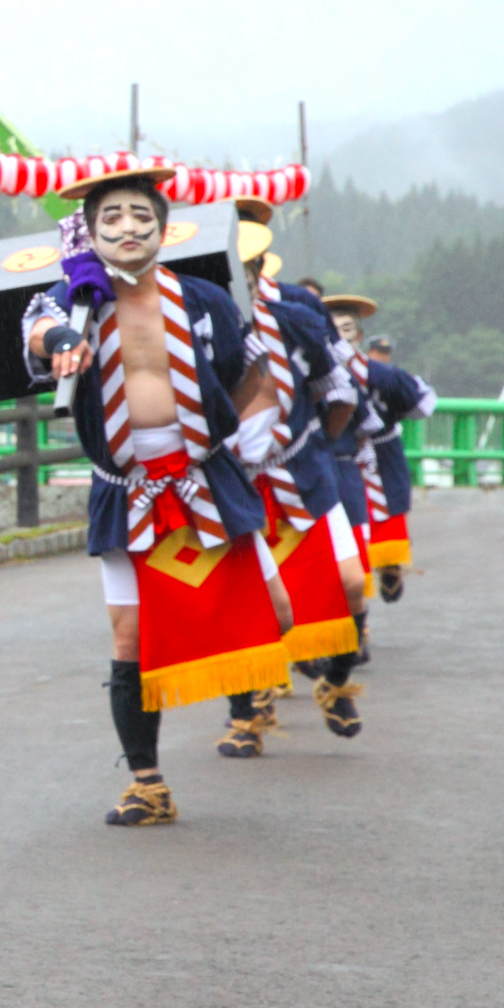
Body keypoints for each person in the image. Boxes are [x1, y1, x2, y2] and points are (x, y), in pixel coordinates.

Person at [24, 164, 292, 828]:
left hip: (204, 471)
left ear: (164, 228)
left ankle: (248, 699)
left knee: (276, 612)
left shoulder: (201, 298)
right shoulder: (72, 299)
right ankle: (147, 782)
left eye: (140, 216)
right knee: (129, 634)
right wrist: (61, 338)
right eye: (110, 217)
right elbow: (36, 332)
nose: (127, 228)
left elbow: (241, 372)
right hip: (126, 484)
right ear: (89, 232)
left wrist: (232, 441)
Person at [216, 212, 369, 751]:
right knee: (246, 602)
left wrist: (316, 445)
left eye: (249, 269)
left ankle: (334, 678)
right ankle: (246, 715)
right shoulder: (197, 332)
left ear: (261, 270)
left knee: (350, 582)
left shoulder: (297, 320)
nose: (243, 280)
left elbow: (340, 393)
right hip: (233, 480)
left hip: (303, 470)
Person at [359, 328, 436, 599]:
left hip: (383, 449)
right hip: (349, 452)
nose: (381, 357)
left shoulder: (393, 378)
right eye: (377, 352)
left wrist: (399, 410)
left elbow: (422, 405)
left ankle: (389, 564)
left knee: (391, 504)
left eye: (385, 353)